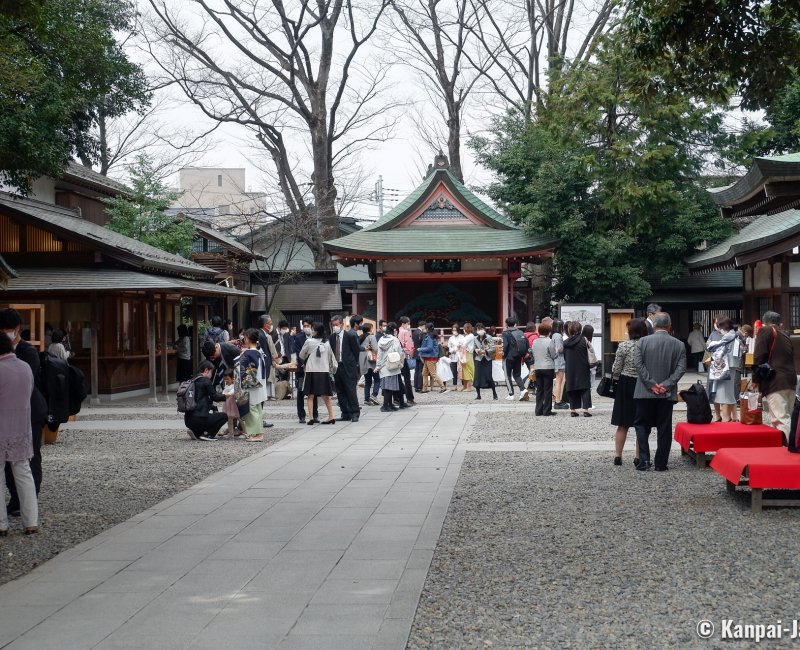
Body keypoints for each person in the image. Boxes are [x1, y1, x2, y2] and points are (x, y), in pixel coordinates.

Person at [1, 309, 47, 519]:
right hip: (7, 413)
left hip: (29, 411)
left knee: (29, 458)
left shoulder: (27, 351)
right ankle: (16, 499)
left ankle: (30, 503)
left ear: (18, 328)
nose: (6, 332)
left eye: (8, 329)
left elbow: (30, 382)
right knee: (10, 462)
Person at [633, 312, 686, 471]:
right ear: (670, 326)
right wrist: (666, 385)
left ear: (654, 325)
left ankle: (644, 460)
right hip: (666, 393)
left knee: (642, 425)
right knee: (664, 428)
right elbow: (681, 368)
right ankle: (661, 463)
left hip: (644, 391)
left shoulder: (642, 342)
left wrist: (650, 384)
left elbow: (638, 365)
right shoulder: (678, 344)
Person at [0, 333, 39, 535]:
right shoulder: (25, 367)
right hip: (21, 428)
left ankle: (1, 524)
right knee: (24, 473)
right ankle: (31, 521)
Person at [753, 311, 797, 435]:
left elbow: (759, 356)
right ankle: (786, 447)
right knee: (788, 417)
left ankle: (789, 450)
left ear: (765, 322)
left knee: (780, 419)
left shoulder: (765, 331)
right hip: (790, 380)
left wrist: (755, 379)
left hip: (775, 381)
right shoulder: (785, 335)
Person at [611, 319, 647, 466]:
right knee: (641, 423)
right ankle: (638, 456)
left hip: (625, 384)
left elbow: (616, 369)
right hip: (642, 384)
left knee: (623, 423)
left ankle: (618, 456)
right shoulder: (646, 346)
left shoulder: (623, 346)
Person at [298, 322, 337, 424]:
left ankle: (311, 417)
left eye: (312, 329)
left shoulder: (309, 341)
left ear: (315, 331)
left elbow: (301, 355)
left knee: (310, 395)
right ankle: (331, 416)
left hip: (311, 371)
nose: (311, 330)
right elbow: (329, 358)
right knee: (325, 396)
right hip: (324, 371)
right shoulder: (327, 342)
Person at [183, 360, 228, 441]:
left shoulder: (192, 380)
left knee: (211, 412)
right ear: (206, 370)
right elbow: (215, 397)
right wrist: (226, 396)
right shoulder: (205, 381)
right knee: (224, 416)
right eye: (211, 371)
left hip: (188, 420)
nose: (212, 374)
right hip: (199, 418)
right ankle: (209, 434)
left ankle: (197, 432)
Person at [706, 317, 739, 422]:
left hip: (727, 366)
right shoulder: (733, 334)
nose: (719, 329)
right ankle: (729, 417)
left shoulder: (729, 336)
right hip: (730, 365)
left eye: (720, 326)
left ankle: (726, 419)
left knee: (724, 393)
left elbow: (713, 346)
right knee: (728, 392)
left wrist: (710, 344)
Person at [330, 314, 362, 422]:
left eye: (336, 325)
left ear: (342, 324)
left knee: (350, 390)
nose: (335, 327)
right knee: (340, 391)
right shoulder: (332, 337)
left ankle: (355, 412)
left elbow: (356, 352)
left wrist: (354, 365)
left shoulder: (350, 336)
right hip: (337, 367)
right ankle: (345, 413)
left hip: (348, 366)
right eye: (333, 325)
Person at [238, 329, 268, 442]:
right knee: (258, 409)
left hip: (251, 384)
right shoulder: (260, 352)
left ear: (247, 339)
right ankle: (258, 432)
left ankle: (257, 434)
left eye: (244, 338)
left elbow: (242, 370)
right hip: (260, 382)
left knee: (251, 409)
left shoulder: (248, 353)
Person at [375, 322, 409, 411]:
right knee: (390, 387)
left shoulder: (381, 340)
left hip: (383, 366)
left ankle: (389, 404)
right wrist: (401, 363)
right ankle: (385, 406)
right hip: (392, 365)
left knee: (386, 386)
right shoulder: (394, 339)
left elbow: (379, 354)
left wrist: (378, 365)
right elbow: (399, 352)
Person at [563, 321, 592, 417]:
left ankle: (573, 410)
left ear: (569, 330)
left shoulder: (566, 342)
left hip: (570, 367)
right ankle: (585, 410)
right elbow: (590, 351)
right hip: (583, 367)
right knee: (585, 387)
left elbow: (564, 356)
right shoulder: (584, 340)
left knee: (571, 387)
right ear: (580, 329)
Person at [293, 317, 318, 424]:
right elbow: (298, 352)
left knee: (314, 392)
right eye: (305, 326)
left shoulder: (316, 336)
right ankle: (301, 415)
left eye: (308, 326)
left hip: (314, 368)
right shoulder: (299, 337)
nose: (306, 328)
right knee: (301, 392)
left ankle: (315, 415)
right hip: (302, 369)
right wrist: (303, 365)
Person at [531, 321, 556, 416]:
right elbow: (554, 355)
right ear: (548, 331)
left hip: (538, 367)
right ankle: (547, 411)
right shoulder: (549, 341)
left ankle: (538, 410)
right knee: (548, 389)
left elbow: (533, 353)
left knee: (539, 389)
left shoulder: (535, 341)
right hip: (548, 367)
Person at [502, 317, 526, 400]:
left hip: (508, 357)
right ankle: (523, 389)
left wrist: (503, 355)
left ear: (507, 324)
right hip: (518, 356)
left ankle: (511, 394)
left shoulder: (505, 333)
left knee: (507, 375)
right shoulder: (520, 332)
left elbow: (505, 345)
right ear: (515, 324)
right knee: (517, 375)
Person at [473, 323, 497, 400]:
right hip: (478, 359)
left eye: (481, 329)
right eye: (478, 329)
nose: (479, 331)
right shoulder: (475, 338)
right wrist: (476, 350)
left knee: (489, 376)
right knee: (477, 376)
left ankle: (494, 393)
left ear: (484, 329)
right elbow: (474, 347)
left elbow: (493, 348)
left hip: (487, 358)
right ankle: (478, 395)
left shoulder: (489, 337)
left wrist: (485, 352)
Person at [359, 323, 380, 406]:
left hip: (363, 362)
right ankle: (374, 395)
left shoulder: (360, 337)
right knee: (377, 379)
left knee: (368, 381)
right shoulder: (371, 337)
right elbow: (376, 348)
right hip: (371, 362)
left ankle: (366, 399)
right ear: (370, 329)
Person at [398, 317, 416, 405]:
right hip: (405, 355)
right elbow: (407, 345)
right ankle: (410, 398)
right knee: (407, 378)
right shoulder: (405, 332)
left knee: (399, 377)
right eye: (408, 323)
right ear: (404, 323)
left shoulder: (399, 332)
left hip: (399, 355)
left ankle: (397, 398)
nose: (408, 325)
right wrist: (410, 351)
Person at [550, 319, 567, 409]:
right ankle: (558, 400)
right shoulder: (558, 336)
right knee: (559, 381)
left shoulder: (553, 335)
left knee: (559, 381)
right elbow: (559, 348)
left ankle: (558, 399)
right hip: (559, 360)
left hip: (556, 360)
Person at [220, 369, 240, 439]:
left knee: (238, 417)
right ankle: (231, 431)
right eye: (225, 379)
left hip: (233, 404)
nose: (226, 381)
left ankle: (243, 430)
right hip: (227, 404)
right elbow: (224, 391)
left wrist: (227, 394)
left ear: (232, 379)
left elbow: (232, 391)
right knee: (229, 418)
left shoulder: (234, 386)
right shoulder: (226, 385)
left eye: (227, 379)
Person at [582, 323, 596, 409]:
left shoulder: (582, 340)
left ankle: (585, 403)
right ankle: (587, 404)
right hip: (589, 367)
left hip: (584, 366)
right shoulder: (587, 342)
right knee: (589, 386)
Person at [460, 322, 475, 392]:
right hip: (464, 353)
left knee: (468, 369)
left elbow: (463, 344)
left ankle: (469, 387)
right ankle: (465, 386)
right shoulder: (467, 336)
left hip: (468, 354)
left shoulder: (471, 336)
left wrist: (459, 345)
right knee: (463, 370)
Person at [412, 320, 426, 391]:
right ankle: (420, 386)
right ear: (423, 325)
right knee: (420, 370)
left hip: (415, 352)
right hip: (420, 353)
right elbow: (423, 344)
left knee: (416, 370)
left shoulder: (414, 332)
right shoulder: (421, 333)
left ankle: (415, 386)